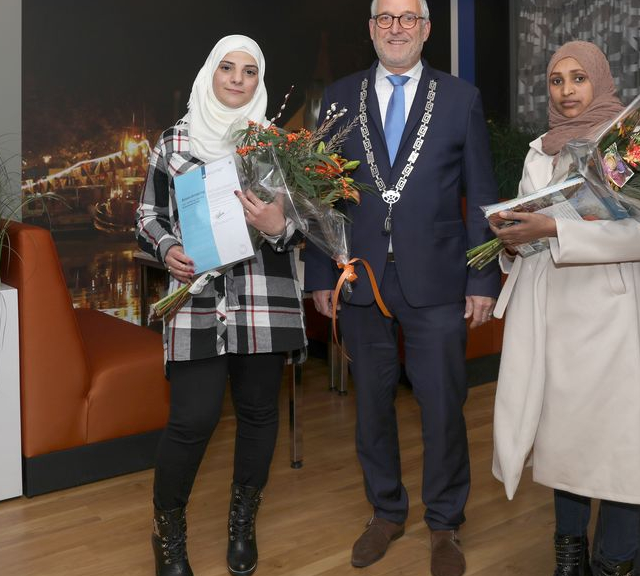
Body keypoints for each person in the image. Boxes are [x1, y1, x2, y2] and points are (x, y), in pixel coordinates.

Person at [303, 1, 500, 575]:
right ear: (370, 29)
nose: (396, 27)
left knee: (443, 407)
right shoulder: (339, 97)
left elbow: (481, 194)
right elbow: (320, 196)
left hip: (439, 279)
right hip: (358, 278)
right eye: (385, 18)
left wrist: (483, 275)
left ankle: (445, 524)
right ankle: (386, 513)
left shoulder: (461, 98)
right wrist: (320, 274)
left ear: (425, 29)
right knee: (371, 408)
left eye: (407, 18)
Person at [489, 41, 640, 576]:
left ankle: (614, 561)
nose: (567, 91)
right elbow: (531, 229)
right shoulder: (538, 150)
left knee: (616, 449)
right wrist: (513, 242)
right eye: (555, 81)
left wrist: (556, 230)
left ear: (600, 79)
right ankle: (568, 556)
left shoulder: (631, 145)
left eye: (577, 78)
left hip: (609, 318)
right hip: (551, 315)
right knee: (563, 444)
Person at [136, 35, 305, 576]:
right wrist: (169, 248)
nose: (237, 78)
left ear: (260, 80)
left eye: (249, 70)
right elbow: (147, 217)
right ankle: (167, 535)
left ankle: (242, 523)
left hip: (263, 300)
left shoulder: (276, 147)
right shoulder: (174, 142)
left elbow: (303, 227)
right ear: (210, 72)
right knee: (192, 420)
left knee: (258, 415)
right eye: (227, 67)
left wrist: (281, 226)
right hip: (198, 299)